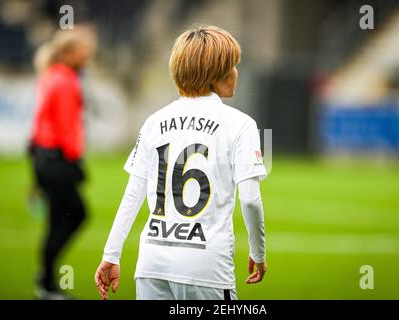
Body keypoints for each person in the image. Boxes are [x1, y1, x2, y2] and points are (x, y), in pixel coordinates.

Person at [95, 25, 267, 300]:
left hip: (151, 265)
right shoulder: (242, 125)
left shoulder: (154, 121)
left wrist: (111, 254)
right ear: (216, 75)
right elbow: (249, 199)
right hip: (205, 269)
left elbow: (133, 193)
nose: (236, 72)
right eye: (232, 66)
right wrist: (258, 253)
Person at [29, 26, 96, 300]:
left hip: (41, 156)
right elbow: (68, 128)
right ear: (69, 53)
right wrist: (76, 163)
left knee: (59, 219)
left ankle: (47, 280)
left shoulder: (50, 75)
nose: (88, 57)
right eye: (84, 52)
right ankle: (46, 282)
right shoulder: (67, 80)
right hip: (57, 159)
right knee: (75, 215)